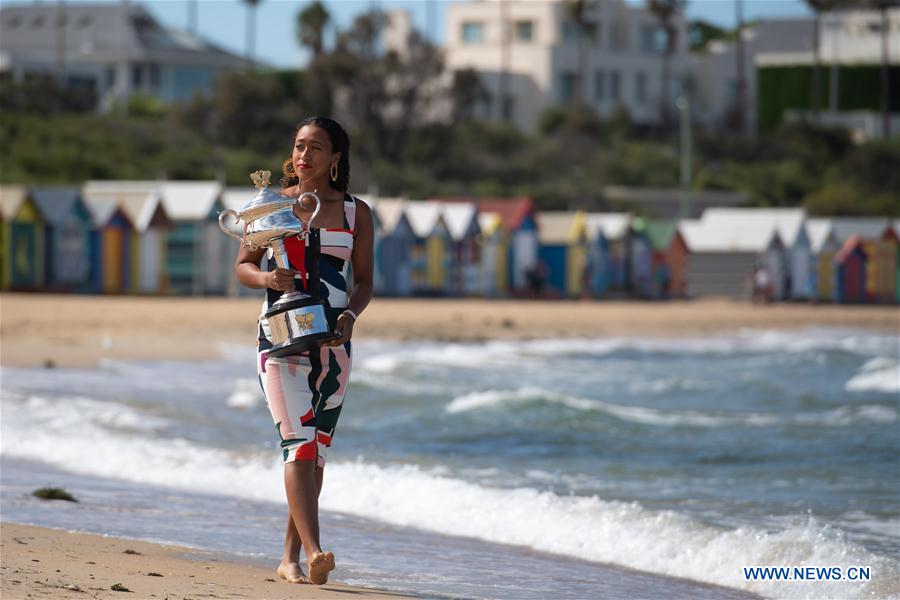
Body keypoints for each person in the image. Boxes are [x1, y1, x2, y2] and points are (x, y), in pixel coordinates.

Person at [234, 117, 374, 585]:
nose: (304, 155)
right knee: (299, 443)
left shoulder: (357, 213)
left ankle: (289, 557)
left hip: (334, 344)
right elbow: (244, 267)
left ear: (335, 158)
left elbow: (365, 281)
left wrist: (350, 316)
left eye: (315, 147)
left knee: (316, 452)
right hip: (279, 339)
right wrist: (268, 279)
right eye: (298, 146)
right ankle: (316, 551)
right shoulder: (270, 205)